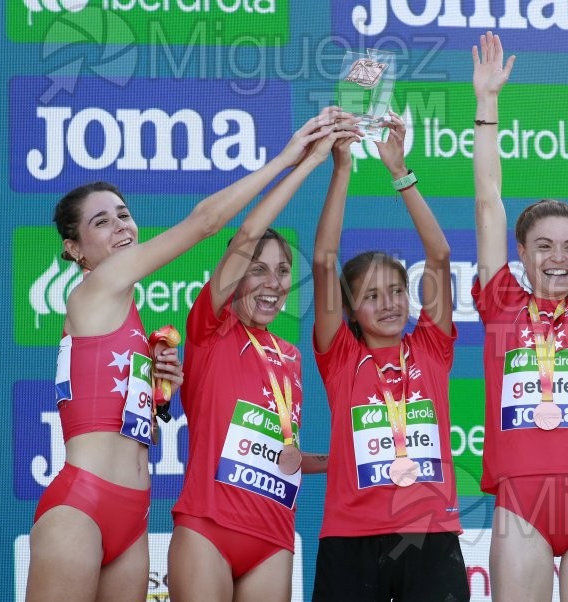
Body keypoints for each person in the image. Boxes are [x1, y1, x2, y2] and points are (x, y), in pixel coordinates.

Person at [26, 108, 342, 602]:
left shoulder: (129, 319)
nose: (121, 226)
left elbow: (134, 429)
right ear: (74, 249)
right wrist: (288, 158)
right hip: (81, 504)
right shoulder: (96, 289)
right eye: (101, 222)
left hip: (133, 517)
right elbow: (209, 222)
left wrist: (156, 398)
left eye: (124, 214)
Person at [166, 110, 359, 601]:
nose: (273, 284)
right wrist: (306, 162)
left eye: (281, 272)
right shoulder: (210, 328)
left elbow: (282, 455)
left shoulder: (291, 355)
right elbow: (248, 232)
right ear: (234, 278)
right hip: (209, 524)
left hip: (274, 534)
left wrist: (345, 460)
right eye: (258, 271)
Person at [471, 32, 568, 601]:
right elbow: (488, 199)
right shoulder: (501, 300)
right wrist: (487, 104)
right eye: (543, 246)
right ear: (522, 253)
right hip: (521, 502)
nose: (558, 259)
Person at [311, 111, 468, 601]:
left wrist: (400, 173)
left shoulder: (431, 347)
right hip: (350, 537)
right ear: (352, 310)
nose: (389, 304)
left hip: (429, 533)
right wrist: (341, 171)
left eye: (397, 291)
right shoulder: (340, 357)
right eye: (372, 296)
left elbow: (439, 254)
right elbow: (323, 261)